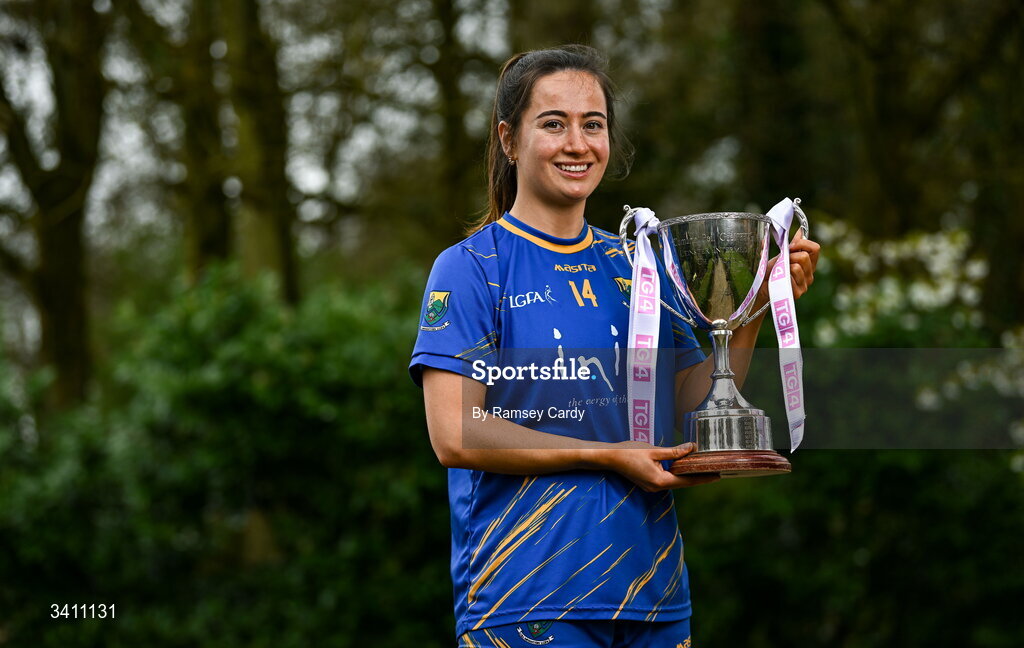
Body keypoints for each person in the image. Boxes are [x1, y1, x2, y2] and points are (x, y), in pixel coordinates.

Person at [409, 45, 819, 648]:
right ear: (508, 139)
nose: (577, 143)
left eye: (592, 124)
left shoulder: (640, 266)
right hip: (525, 601)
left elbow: (689, 409)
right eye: (553, 123)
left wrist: (757, 301)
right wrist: (605, 454)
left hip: (653, 599)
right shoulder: (471, 268)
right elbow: (455, 432)